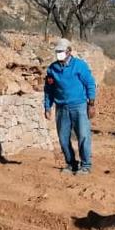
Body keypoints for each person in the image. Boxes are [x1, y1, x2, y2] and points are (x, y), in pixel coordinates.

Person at [43, 38, 96, 174]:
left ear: (69, 51)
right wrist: (47, 107)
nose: (59, 54)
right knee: (63, 138)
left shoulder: (80, 65)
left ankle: (86, 165)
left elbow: (90, 83)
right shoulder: (52, 69)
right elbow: (48, 89)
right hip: (61, 108)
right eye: (57, 52)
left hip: (79, 106)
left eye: (62, 51)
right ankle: (71, 163)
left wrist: (91, 104)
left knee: (83, 136)